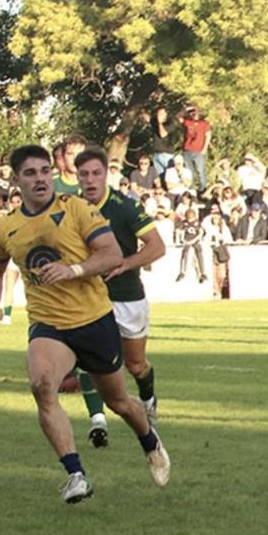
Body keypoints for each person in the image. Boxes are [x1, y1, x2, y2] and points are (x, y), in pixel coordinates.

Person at [0, 144, 170, 503]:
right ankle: (75, 474)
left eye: (44, 171)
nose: (40, 179)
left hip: (93, 319)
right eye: (30, 173)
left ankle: (150, 441)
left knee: (117, 402)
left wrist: (74, 270)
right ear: (16, 180)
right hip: (48, 325)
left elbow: (112, 254)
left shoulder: (77, 209)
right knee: (41, 385)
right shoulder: (5, 227)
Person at [69, 146, 169, 446]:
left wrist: (125, 263)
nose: (89, 180)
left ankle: (148, 397)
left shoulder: (124, 207)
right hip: (89, 296)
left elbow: (157, 246)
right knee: (88, 359)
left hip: (127, 296)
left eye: (95, 173)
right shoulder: (70, 208)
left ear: (106, 175)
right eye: (83, 174)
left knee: (135, 364)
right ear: (77, 176)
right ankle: (97, 421)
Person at [178, 104, 212, 196]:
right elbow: (179, 117)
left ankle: (202, 188)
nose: (193, 114)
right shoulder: (188, 122)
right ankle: (191, 189)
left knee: (200, 170)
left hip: (199, 150)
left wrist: (204, 148)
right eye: (192, 112)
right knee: (189, 171)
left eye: (195, 112)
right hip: (187, 149)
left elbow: (208, 136)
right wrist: (186, 109)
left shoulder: (204, 123)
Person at [175, 207, 206, 283]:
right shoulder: (183, 223)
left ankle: (202, 272)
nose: (190, 221)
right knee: (185, 253)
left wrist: (193, 240)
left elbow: (201, 233)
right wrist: (179, 240)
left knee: (199, 252)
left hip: (195, 241)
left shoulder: (197, 223)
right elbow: (178, 231)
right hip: (186, 241)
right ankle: (182, 271)